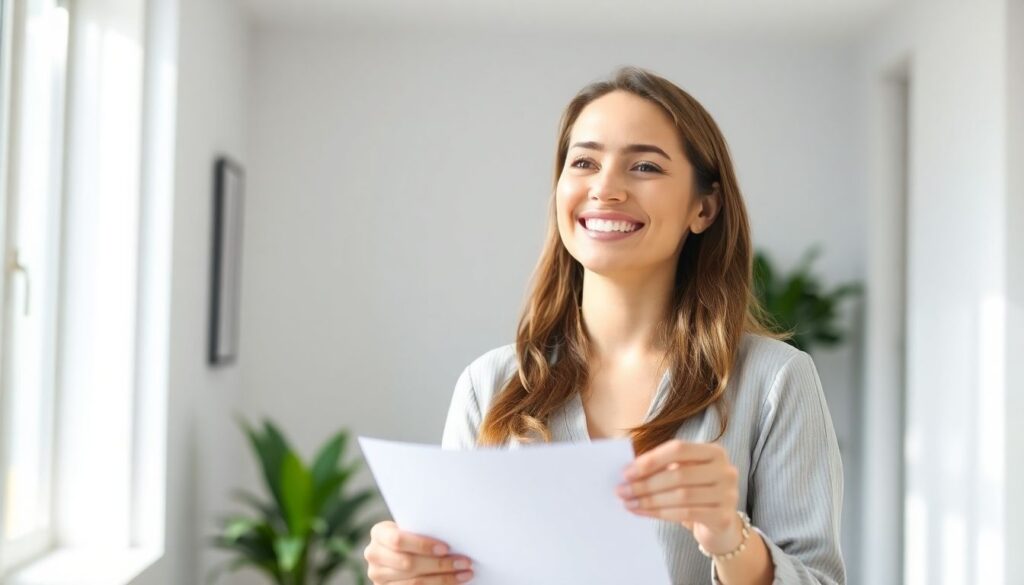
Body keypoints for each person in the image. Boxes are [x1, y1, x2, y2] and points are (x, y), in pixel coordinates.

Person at [362, 66, 846, 585]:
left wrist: (730, 536)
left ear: (703, 207)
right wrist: (412, 573)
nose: (605, 188)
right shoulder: (490, 385)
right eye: (584, 162)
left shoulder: (775, 381)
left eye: (644, 166)